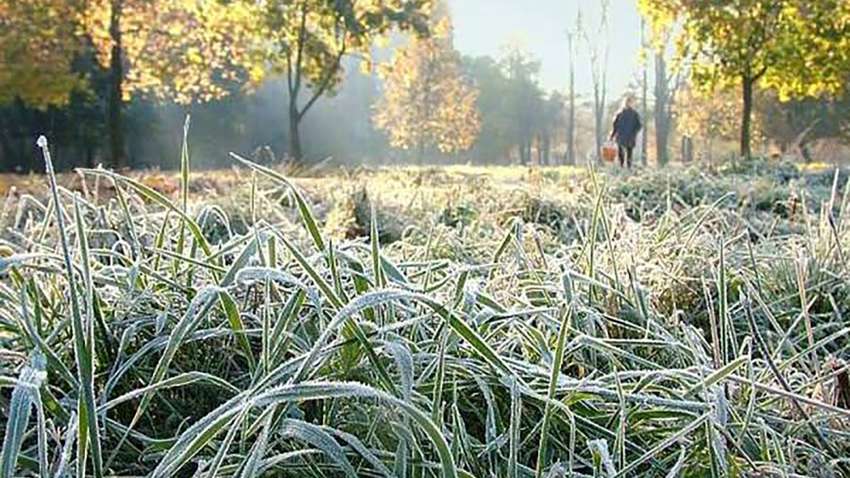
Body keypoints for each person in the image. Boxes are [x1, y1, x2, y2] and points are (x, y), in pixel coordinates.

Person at [609, 95, 642, 168]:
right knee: (622, 152)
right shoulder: (620, 114)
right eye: (628, 102)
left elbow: (639, 125)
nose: (629, 104)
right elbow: (615, 126)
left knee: (628, 153)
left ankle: (627, 167)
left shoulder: (634, 114)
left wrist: (634, 132)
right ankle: (622, 166)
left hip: (628, 136)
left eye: (630, 102)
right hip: (623, 136)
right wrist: (612, 135)